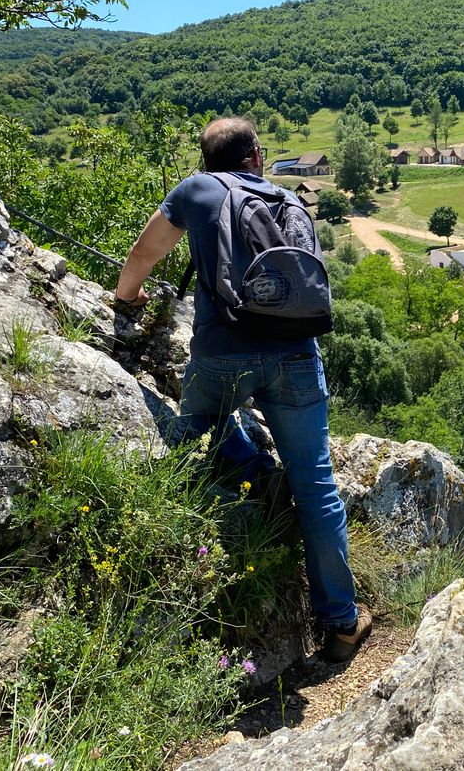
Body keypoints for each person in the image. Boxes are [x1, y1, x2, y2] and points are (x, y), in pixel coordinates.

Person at [114, 116, 370, 663]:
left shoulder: (196, 191)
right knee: (317, 485)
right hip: (297, 355)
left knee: (191, 439)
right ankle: (342, 624)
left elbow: (142, 256)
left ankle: (242, 485)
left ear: (208, 158)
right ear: (256, 154)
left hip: (222, 354)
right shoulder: (286, 200)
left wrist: (127, 298)